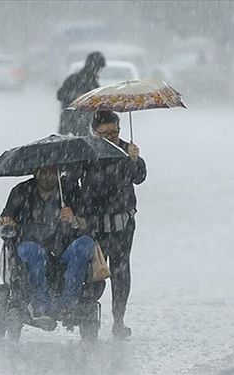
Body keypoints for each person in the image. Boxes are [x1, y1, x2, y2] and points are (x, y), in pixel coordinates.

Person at [0, 165, 95, 329]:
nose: (47, 177)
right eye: (43, 172)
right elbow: (4, 220)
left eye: (51, 173)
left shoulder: (70, 190)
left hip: (63, 250)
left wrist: (74, 219)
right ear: (35, 172)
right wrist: (7, 222)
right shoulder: (21, 191)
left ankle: (68, 305)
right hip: (30, 248)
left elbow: (89, 223)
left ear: (58, 173)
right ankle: (40, 306)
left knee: (85, 244)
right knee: (32, 251)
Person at [80, 110, 146, 338]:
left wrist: (135, 160)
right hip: (95, 226)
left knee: (121, 272)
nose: (112, 137)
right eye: (105, 133)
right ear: (94, 132)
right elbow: (72, 181)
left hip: (122, 225)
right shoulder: (86, 152)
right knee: (94, 272)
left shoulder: (127, 151)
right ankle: (88, 318)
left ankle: (119, 320)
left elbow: (139, 177)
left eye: (115, 132)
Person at [57, 51, 106, 136]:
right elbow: (60, 95)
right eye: (98, 68)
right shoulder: (73, 79)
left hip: (84, 127)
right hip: (69, 126)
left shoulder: (94, 85)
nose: (98, 71)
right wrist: (76, 96)